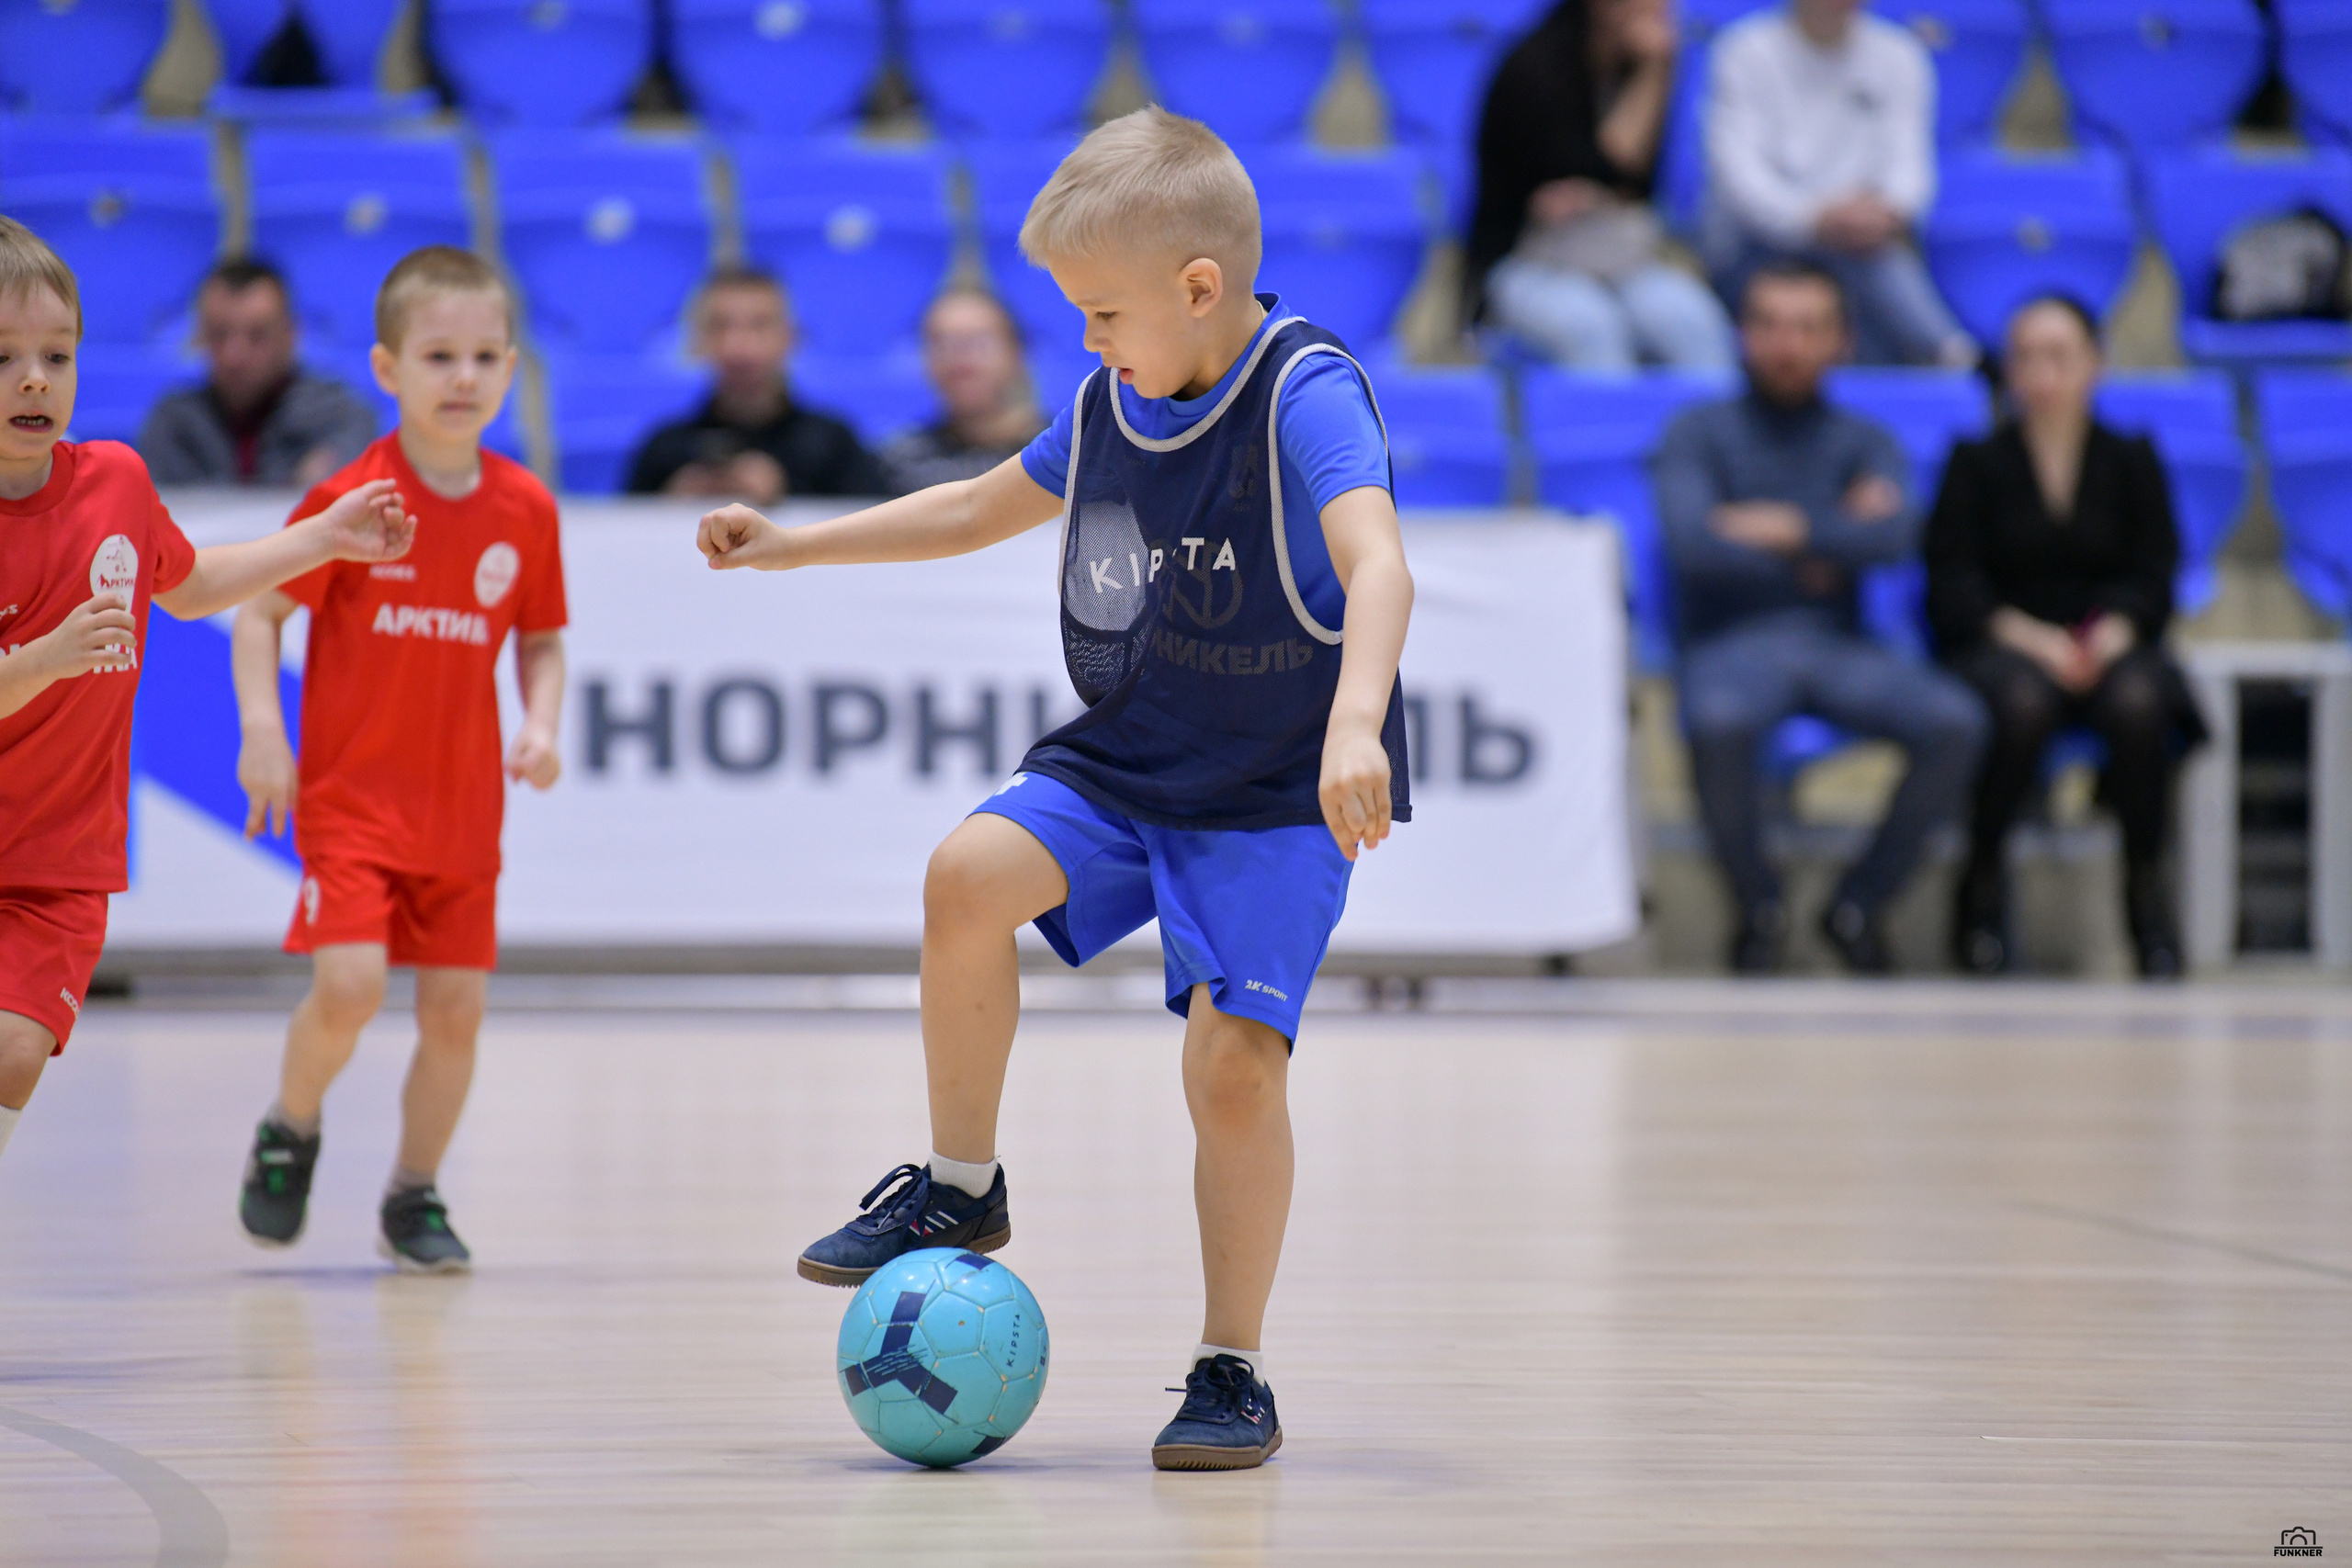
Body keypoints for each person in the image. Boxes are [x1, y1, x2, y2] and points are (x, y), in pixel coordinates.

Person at [695, 107, 1412, 1471]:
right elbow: (973, 507)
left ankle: (1231, 1364)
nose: (1088, 339)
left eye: (1102, 311)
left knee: (1233, 1074)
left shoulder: (1305, 389)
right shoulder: (1111, 400)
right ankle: (961, 1190)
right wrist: (795, 548)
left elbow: (1378, 562)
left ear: (1199, 290)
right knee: (966, 874)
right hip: (1140, 748)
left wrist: (1356, 726)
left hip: (1274, 780)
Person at [0, 216, 413, 1170]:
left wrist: (325, 535)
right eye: (7, 356)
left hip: (56, 865)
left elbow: (188, 586)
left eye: (56, 355)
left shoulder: (115, 480)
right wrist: (42, 659)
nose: (34, 379)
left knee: (16, 1048)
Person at [229, 247, 569, 1272]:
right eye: (437, 356)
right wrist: (262, 732)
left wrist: (542, 721)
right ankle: (291, 1125)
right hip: (353, 806)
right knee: (351, 988)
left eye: (481, 357)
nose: (462, 378)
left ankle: (412, 1196)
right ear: (387, 369)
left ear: (510, 368)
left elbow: (543, 636)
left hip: (463, 816)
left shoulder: (524, 508)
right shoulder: (352, 501)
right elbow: (259, 612)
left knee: (456, 1014)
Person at [1655, 261, 1986, 974]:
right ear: (1742, 335)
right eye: (1770, 325)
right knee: (1716, 720)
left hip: (1840, 645)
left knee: (1957, 721)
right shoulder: (1696, 433)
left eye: (1808, 328)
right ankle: (1758, 908)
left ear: (1841, 340)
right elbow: (1691, 545)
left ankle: (1860, 903)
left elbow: (1896, 538)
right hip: (1728, 644)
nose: (1788, 344)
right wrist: (1832, 536)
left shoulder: (1865, 439)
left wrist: (1786, 527)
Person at [1926, 297, 2206, 980]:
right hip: (2005, 645)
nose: (2044, 373)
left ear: (2096, 364)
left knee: (2139, 704)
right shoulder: (1976, 462)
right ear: (2009, 371)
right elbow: (1953, 583)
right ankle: (1982, 883)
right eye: (2028, 356)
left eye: (2061, 355)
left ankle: (2147, 892)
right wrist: (2035, 640)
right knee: (2022, 707)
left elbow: (2156, 572)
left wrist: (2110, 634)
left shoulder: (2131, 458)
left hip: (2108, 643)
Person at [1702, 0, 1975, 368]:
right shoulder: (1743, 51)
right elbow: (1739, 178)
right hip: (1756, 244)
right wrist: (1814, 219)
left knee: (1872, 277)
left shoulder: (1899, 55)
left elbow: (1911, 171)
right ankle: (1954, 355)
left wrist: (1887, 212)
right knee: (1873, 273)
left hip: (1861, 242)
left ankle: (1946, 362)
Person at [1466, 0, 1736, 369]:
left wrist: (1656, 69)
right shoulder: (1532, 66)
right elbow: (1607, 162)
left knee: (1694, 322)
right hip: (1527, 260)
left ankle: (1708, 430)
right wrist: (1655, 70)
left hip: (1621, 258)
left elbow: (1638, 185)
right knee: (1592, 327)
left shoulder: (1642, 65)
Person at [626, 265, 887, 502]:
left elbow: (872, 536)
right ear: (697, 340)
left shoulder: (833, 445)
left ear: (789, 337)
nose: (739, 346)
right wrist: (668, 503)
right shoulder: (664, 450)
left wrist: (787, 494)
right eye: (720, 326)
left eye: (759, 326)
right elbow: (621, 536)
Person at [136, 258, 378, 488]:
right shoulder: (173, 424)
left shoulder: (340, 415)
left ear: (291, 335)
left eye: (257, 336)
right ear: (200, 336)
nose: (235, 356)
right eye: (219, 334)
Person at [877, 288, 1049, 494]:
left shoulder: (1064, 455)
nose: (961, 361)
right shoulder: (899, 463)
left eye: (979, 343)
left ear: (1017, 352)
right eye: (942, 344)